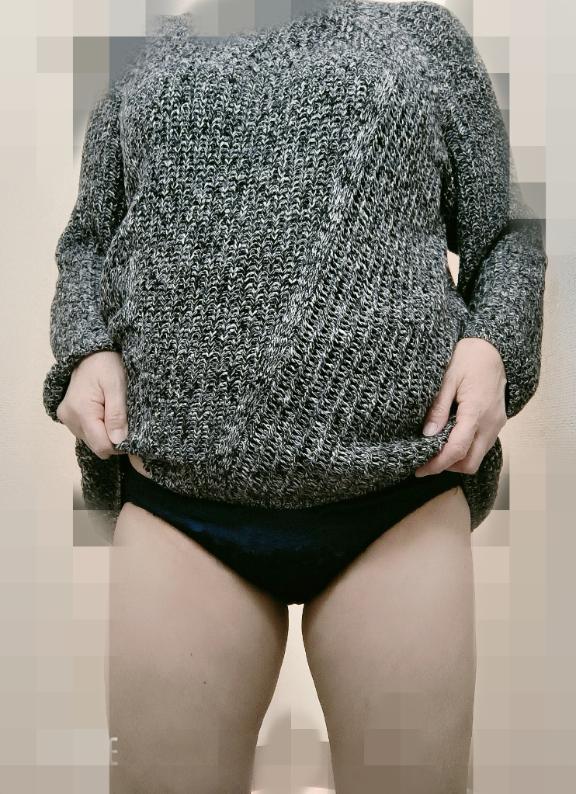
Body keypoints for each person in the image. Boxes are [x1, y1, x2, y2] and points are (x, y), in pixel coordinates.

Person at [42, 1, 547, 791]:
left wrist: (494, 348)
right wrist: (84, 349)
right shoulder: (143, 50)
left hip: (396, 496)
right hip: (181, 501)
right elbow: (88, 242)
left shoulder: (423, 37)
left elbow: (507, 235)